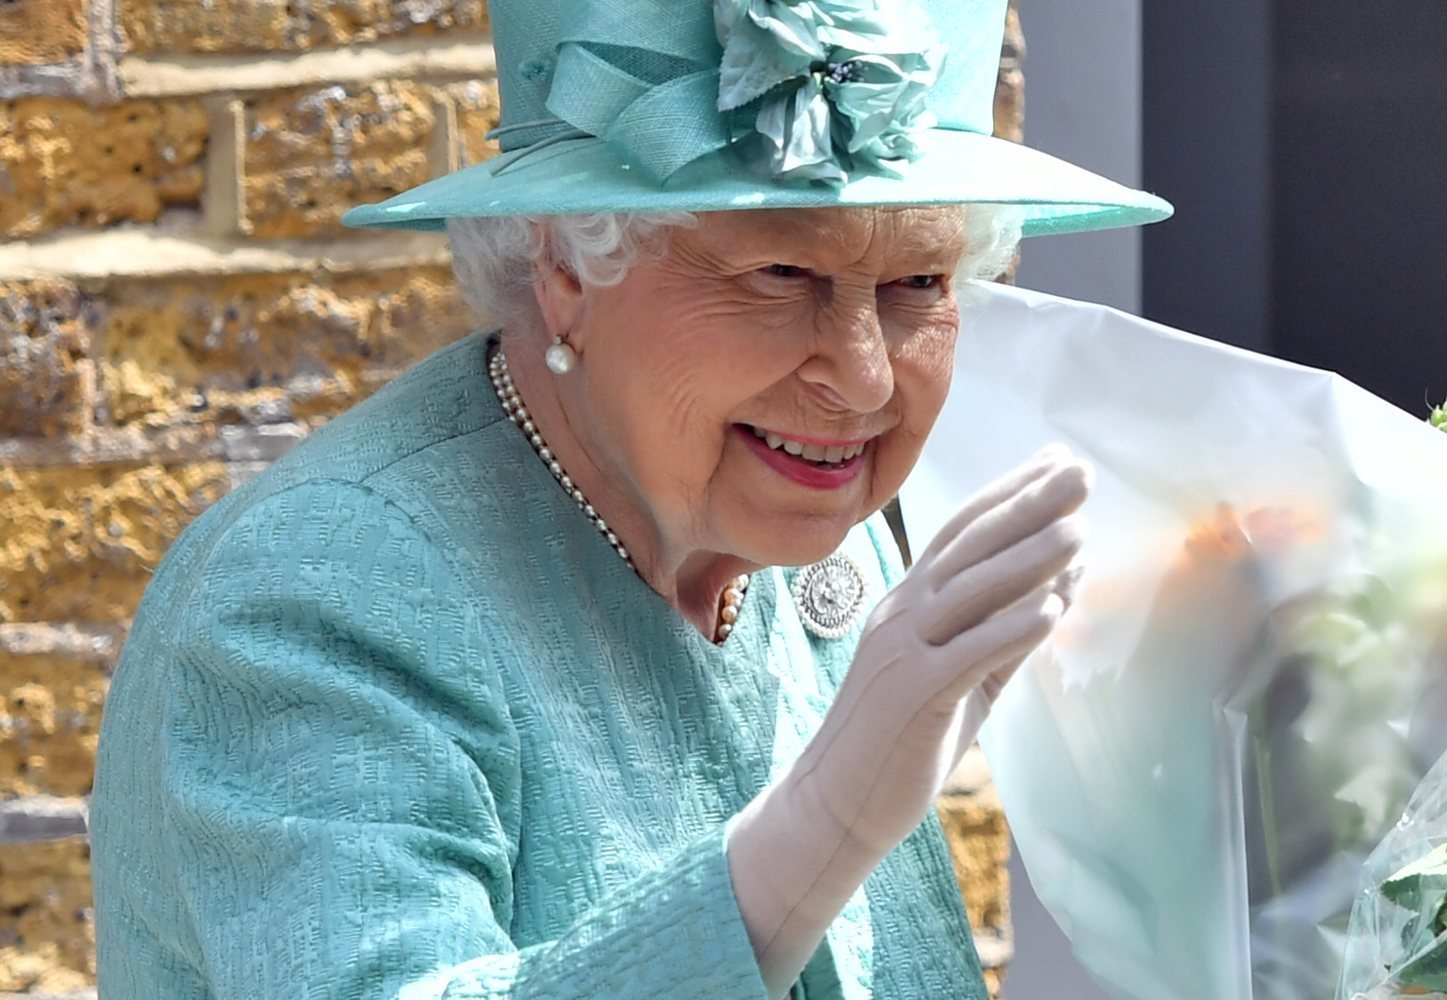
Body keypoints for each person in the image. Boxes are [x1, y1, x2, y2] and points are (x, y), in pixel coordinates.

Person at [89, 0, 1171, 996]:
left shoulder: (808, 536)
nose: (865, 376)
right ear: (563, 265)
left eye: (917, 285)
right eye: (777, 277)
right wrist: (820, 826)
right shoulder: (318, 593)